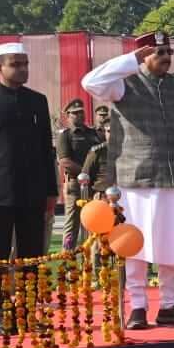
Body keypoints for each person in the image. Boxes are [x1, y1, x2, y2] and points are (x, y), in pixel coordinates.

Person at [82, 31, 174, 329]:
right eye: (158, 52)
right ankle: (137, 306)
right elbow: (90, 82)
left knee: (173, 243)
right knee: (133, 243)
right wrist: (130, 60)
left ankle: (170, 305)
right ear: (142, 55)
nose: (166, 57)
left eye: (168, 52)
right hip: (134, 179)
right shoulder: (123, 83)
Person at [0, 43, 57, 266]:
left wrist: (51, 191)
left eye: (25, 64)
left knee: (32, 257)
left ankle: (28, 291)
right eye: (15, 65)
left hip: (33, 192)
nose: (23, 69)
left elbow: (46, 148)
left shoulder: (38, 100)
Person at [55, 100, 102, 250]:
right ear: (68, 116)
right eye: (75, 113)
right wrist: (85, 173)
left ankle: (94, 260)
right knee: (72, 225)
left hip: (94, 185)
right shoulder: (65, 135)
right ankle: (67, 259)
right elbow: (64, 161)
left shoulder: (94, 134)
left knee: (94, 223)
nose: (79, 115)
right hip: (75, 185)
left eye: (81, 112)